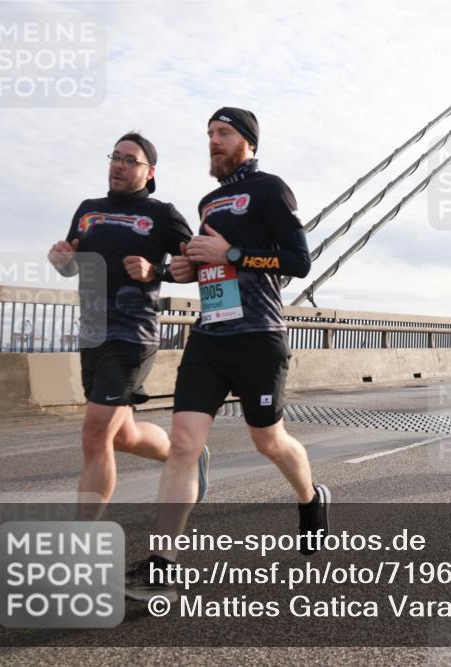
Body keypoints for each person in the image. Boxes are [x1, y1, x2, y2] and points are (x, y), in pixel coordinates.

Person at [125, 108, 329, 601]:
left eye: (224, 133)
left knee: (269, 442)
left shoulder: (270, 189)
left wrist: (232, 256)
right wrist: (175, 269)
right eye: (210, 134)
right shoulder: (209, 201)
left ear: (249, 143)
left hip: (259, 336)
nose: (214, 141)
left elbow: (298, 262)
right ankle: (163, 561)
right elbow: (205, 268)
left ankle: (311, 496)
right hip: (210, 336)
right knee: (183, 444)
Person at [47, 132, 203, 520]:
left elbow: (197, 264)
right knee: (121, 435)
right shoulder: (88, 209)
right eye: (115, 157)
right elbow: (72, 263)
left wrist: (158, 271)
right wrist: (61, 259)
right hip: (93, 331)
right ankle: (184, 454)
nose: (118, 164)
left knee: (94, 432)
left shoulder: (162, 214)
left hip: (133, 334)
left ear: (149, 171)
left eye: (129, 160)